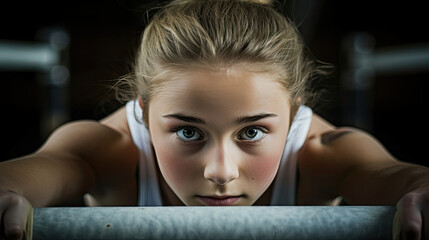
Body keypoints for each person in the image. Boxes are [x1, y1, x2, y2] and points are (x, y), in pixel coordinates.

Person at [1, 0, 428, 239]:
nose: (220, 171)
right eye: (188, 131)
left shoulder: (320, 155)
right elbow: (33, 173)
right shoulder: (111, 150)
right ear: (144, 112)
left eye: (253, 131)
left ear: (295, 114)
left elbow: (392, 174)